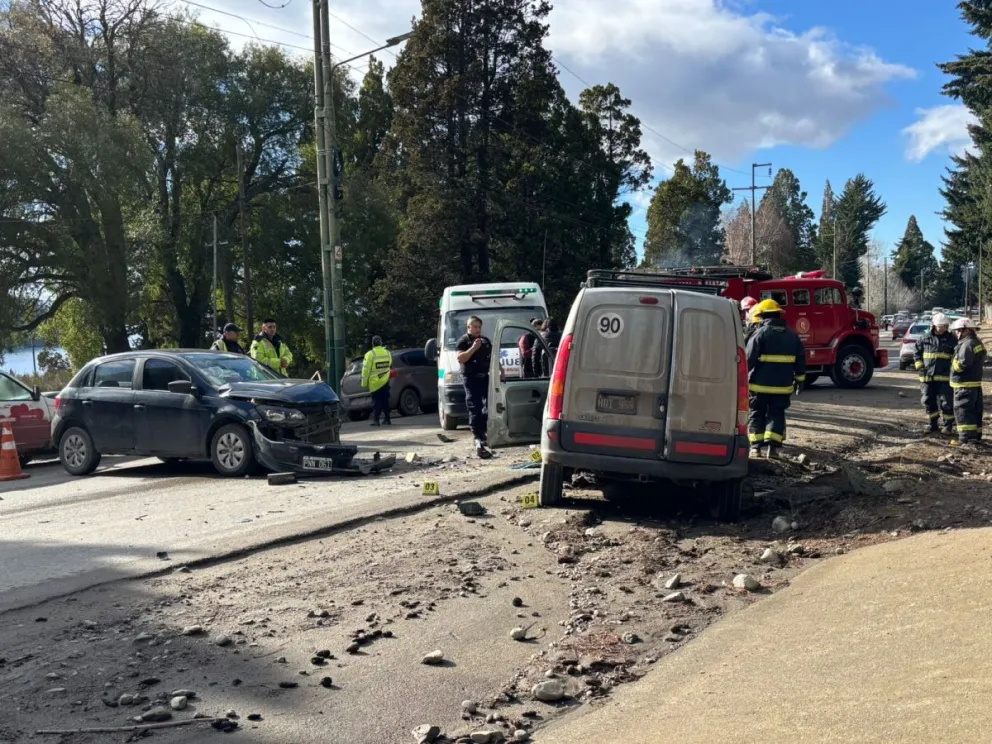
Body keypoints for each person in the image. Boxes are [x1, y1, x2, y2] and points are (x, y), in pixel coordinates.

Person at [745, 299, 806, 459]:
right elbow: (800, 360)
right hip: (782, 386)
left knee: (756, 413)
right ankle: (773, 450)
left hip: (758, 386)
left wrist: (741, 378)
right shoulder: (793, 336)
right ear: (779, 315)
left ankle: (755, 449)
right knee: (776, 414)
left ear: (763, 316)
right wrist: (800, 380)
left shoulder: (760, 333)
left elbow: (748, 359)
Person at [455, 316, 494, 459]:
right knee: (474, 407)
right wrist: (473, 348)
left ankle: (485, 431)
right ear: (469, 327)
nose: (477, 329)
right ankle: (477, 435)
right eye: (475, 327)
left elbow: (492, 357)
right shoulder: (463, 341)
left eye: (479, 327)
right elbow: (461, 358)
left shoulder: (485, 341)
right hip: (471, 379)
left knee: (489, 406)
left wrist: (500, 370)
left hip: (485, 377)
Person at [914, 313, 955, 435]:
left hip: (945, 378)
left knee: (947, 402)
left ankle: (948, 426)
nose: (942, 328)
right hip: (927, 378)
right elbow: (917, 354)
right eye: (939, 326)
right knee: (928, 400)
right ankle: (932, 424)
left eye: (944, 326)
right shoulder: (924, 338)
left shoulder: (952, 340)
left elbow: (956, 357)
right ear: (934, 325)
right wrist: (920, 367)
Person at [949, 317, 986, 446]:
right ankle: (975, 436)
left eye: (959, 330)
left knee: (963, 410)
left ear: (967, 330)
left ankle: (965, 438)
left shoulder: (967, 344)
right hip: (973, 383)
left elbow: (962, 364)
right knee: (974, 410)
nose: (957, 333)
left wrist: (954, 365)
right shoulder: (976, 342)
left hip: (964, 384)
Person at [361, 335, 393, 426]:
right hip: (385, 381)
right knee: (385, 400)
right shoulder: (387, 353)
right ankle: (387, 419)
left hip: (375, 383)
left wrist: (364, 383)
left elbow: (366, 370)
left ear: (372, 343)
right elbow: (389, 365)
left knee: (376, 402)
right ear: (381, 342)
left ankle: (376, 420)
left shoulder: (370, 354)